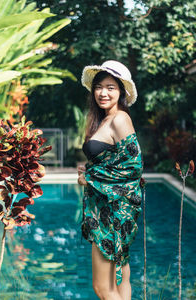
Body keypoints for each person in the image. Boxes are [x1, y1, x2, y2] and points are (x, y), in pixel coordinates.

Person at [78, 60, 143, 300]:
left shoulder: (120, 119)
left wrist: (90, 177)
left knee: (103, 288)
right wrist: (90, 168)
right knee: (119, 280)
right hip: (107, 207)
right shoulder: (104, 119)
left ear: (122, 91)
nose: (103, 93)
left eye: (110, 87)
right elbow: (115, 158)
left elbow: (133, 167)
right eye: (99, 87)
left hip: (113, 212)